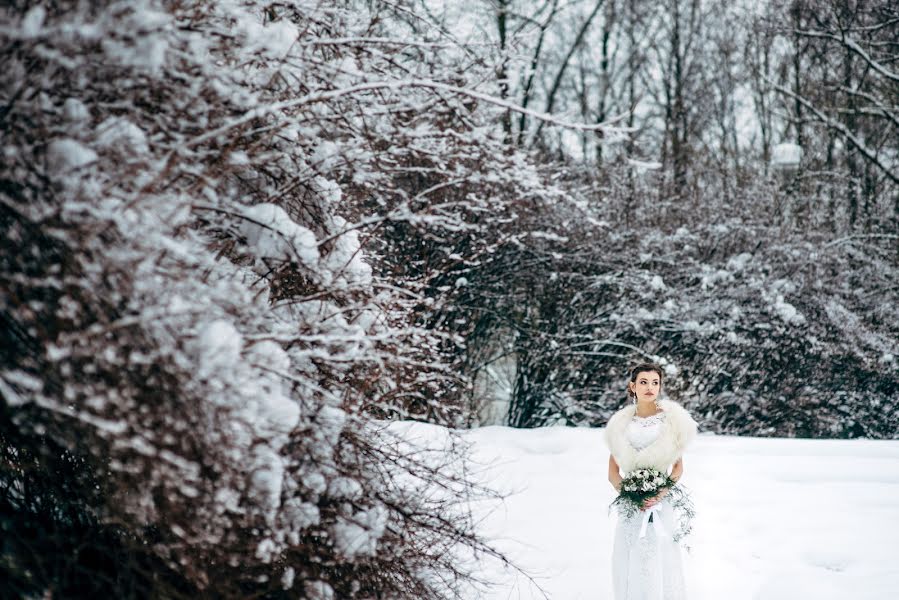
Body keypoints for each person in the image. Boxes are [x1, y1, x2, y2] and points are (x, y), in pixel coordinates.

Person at [604, 363, 698, 600]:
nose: (650, 388)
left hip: (660, 503)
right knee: (630, 557)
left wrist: (659, 494)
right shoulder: (621, 424)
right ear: (632, 386)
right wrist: (630, 494)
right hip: (630, 507)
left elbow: (678, 468)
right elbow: (613, 471)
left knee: (660, 554)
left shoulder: (671, 421)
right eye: (643, 382)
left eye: (655, 383)